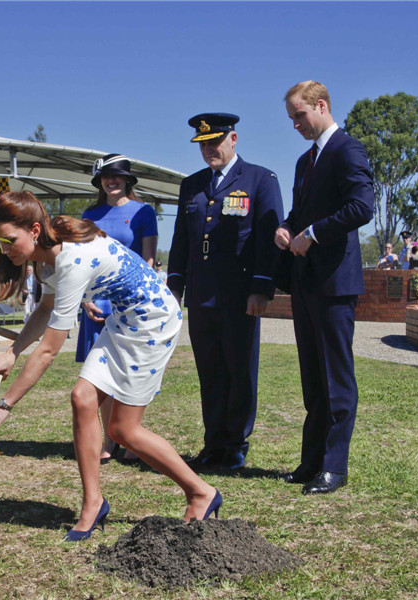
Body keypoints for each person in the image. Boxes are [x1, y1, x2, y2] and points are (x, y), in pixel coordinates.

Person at [0, 191, 221, 540]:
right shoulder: (47, 256)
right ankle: (93, 502)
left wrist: (5, 406)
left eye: (9, 240)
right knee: (82, 397)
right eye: (0, 242)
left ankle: (201, 492)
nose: (4, 249)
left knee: (124, 432)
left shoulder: (70, 261)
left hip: (153, 322)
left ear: (34, 230)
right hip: (123, 320)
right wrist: (12, 352)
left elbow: (49, 350)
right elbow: (46, 309)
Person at [167, 113, 283, 471]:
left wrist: (262, 286)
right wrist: (175, 285)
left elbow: (267, 239)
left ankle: (235, 444)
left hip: (239, 295)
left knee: (239, 369)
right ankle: (213, 442)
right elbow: (182, 239)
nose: (209, 150)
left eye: (215, 142)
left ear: (233, 139)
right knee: (210, 371)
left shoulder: (260, 179)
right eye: (203, 144)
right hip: (202, 295)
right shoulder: (192, 185)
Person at [276, 81, 374, 494]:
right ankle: (312, 460)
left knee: (336, 376)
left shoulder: (346, 149)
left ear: (321, 106)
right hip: (306, 282)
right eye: (291, 119)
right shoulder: (304, 162)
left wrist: (312, 234)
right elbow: (301, 210)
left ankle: (335, 466)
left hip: (335, 282)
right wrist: (286, 227)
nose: (296, 125)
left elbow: (362, 207)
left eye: (300, 115)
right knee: (313, 377)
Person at [78, 154, 158, 466]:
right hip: (98, 301)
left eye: (118, 176)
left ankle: (130, 435)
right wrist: (85, 296)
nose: (111, 181)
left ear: (127, 180)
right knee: (102, 371)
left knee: (131, 370)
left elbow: (149, 259)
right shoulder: (90, 214)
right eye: (105, 177)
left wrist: (139, 298)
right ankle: (110, 439)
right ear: (99, 181)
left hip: (131, 300)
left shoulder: (144, 211)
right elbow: (83, 259)